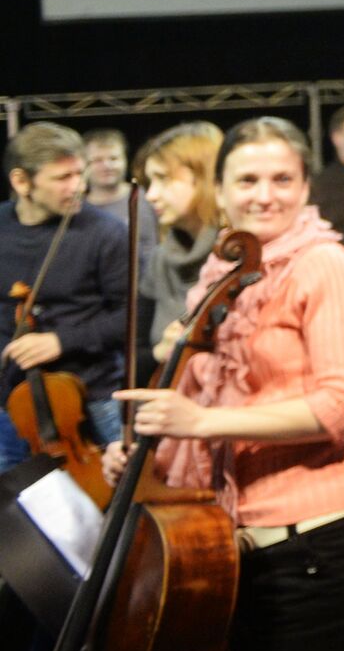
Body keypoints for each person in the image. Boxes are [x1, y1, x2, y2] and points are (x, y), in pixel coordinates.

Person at [103, 116, 344, 651]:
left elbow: (342, 407)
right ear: (221, 191)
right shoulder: (224, 271)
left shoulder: (327, 268)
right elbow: (204, 395)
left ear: (305, 184)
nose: (266, 194)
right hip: (242, 553)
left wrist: (200, 421)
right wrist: (151, 456)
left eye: (282, 178)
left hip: (317, 552)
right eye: (248, 179)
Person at [1, 123, 128, 472]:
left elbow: (130, 316)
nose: (78, 186)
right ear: (22, 182)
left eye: (79, 173)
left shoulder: (107, 233)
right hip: (12, 402)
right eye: (62, 177)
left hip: (93, 396)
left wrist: (61, 341)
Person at [138, 121, 222, 365]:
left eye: (163, 179)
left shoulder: (238, 255)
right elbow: (137, 353)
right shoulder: (160, 259)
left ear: (204, 177)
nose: (151, 194)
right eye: (150, 182)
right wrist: (158, 353)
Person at [83, 128, 158, 274]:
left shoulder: (148, 197)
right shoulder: (77, 208)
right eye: (98, 160)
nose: (107, 166)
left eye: (114, 158)